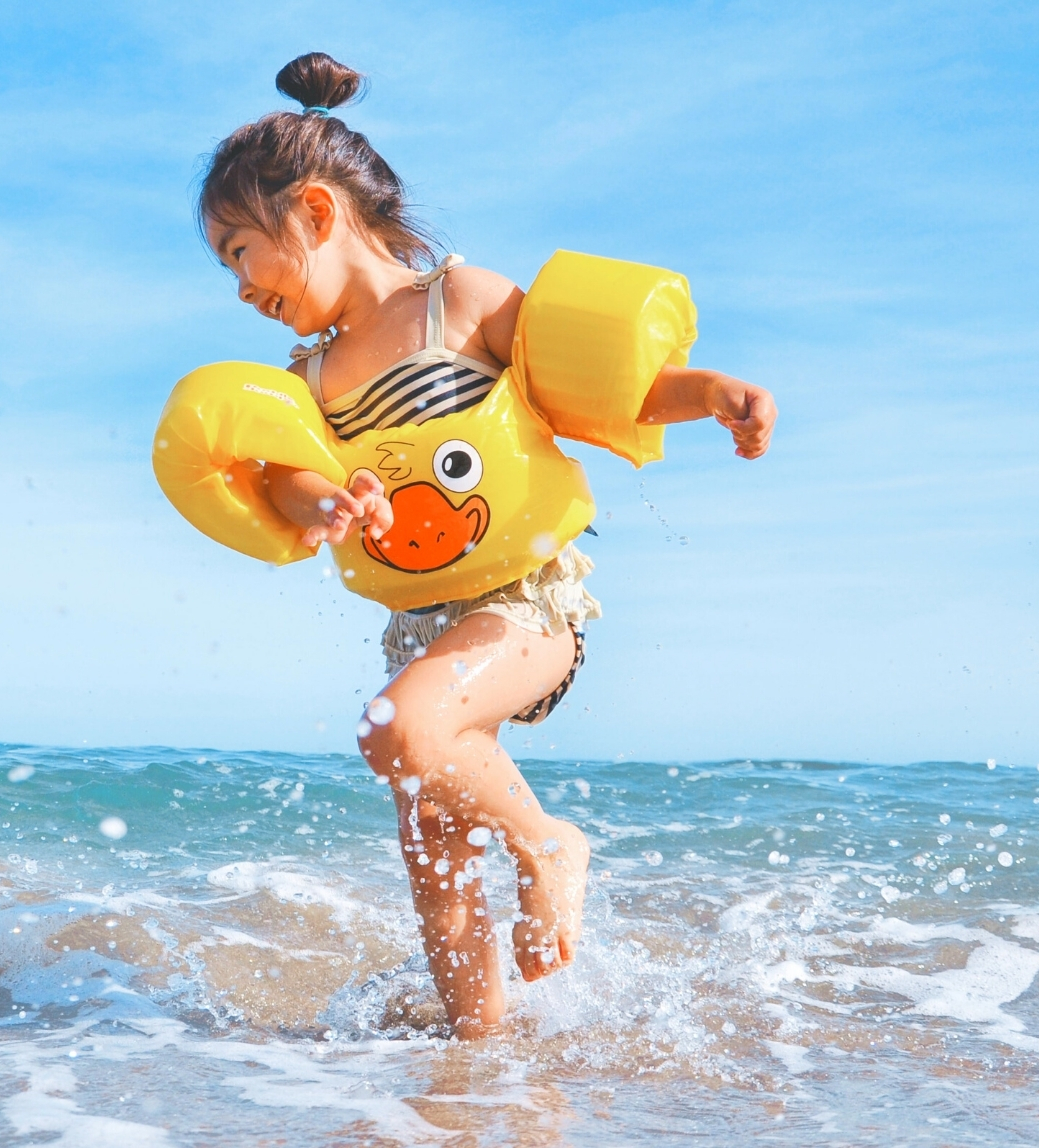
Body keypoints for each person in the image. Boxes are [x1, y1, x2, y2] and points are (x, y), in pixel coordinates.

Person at [194, 52, 776, 1038]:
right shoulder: (311, 372)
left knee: (395, 731)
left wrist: (709, 389)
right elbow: (290, 477)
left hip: (527, 603)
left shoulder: (456, 302)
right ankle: (475, 1064)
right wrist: (331, 498)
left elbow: (599, 387)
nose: (240, 286)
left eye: (241, 250)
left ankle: (550, 847)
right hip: (418, 626)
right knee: (435, 857)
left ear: (318, 214)